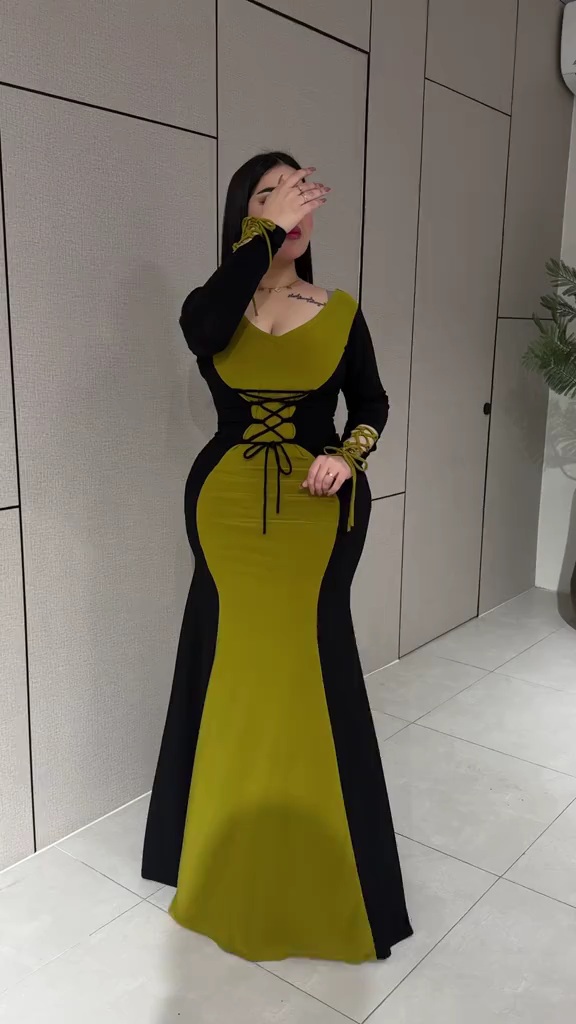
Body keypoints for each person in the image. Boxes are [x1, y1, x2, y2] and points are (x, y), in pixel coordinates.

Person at [141, 151, 413, 963]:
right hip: (224, 511)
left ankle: (331, 868)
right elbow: (200, 332)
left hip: (318, 515)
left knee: (311, 663)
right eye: (270, 193)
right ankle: (212, 848)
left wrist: (349, 455)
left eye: (299, 191)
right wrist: (263, 236)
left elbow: (372, 403)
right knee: (227, 661)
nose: (292, 204)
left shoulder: (340, 309)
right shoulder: (215, 306)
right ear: (246, 215)